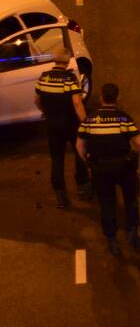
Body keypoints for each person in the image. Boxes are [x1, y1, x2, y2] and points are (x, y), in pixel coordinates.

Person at [76, 83, 140, 256]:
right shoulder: (124, 118)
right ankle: (132, 231)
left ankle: (112, 240)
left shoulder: (89, 120)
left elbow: (80, 145)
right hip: (124, 167)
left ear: (101, 98)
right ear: (117, 98)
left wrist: (87, 162)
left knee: (106, 203)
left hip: (100, 169)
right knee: (131, 200)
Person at [34, 47, 91, 208]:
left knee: (57, 160)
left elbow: (36, 101)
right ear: (66, 62)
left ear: (55, 60)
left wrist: (46, 111)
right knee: (80, 154)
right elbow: (77, 103)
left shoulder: (43, 78)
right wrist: (85, 123)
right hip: (70, 125)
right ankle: (83, 188)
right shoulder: (69, 79)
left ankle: (61, 196)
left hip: (52, 126)